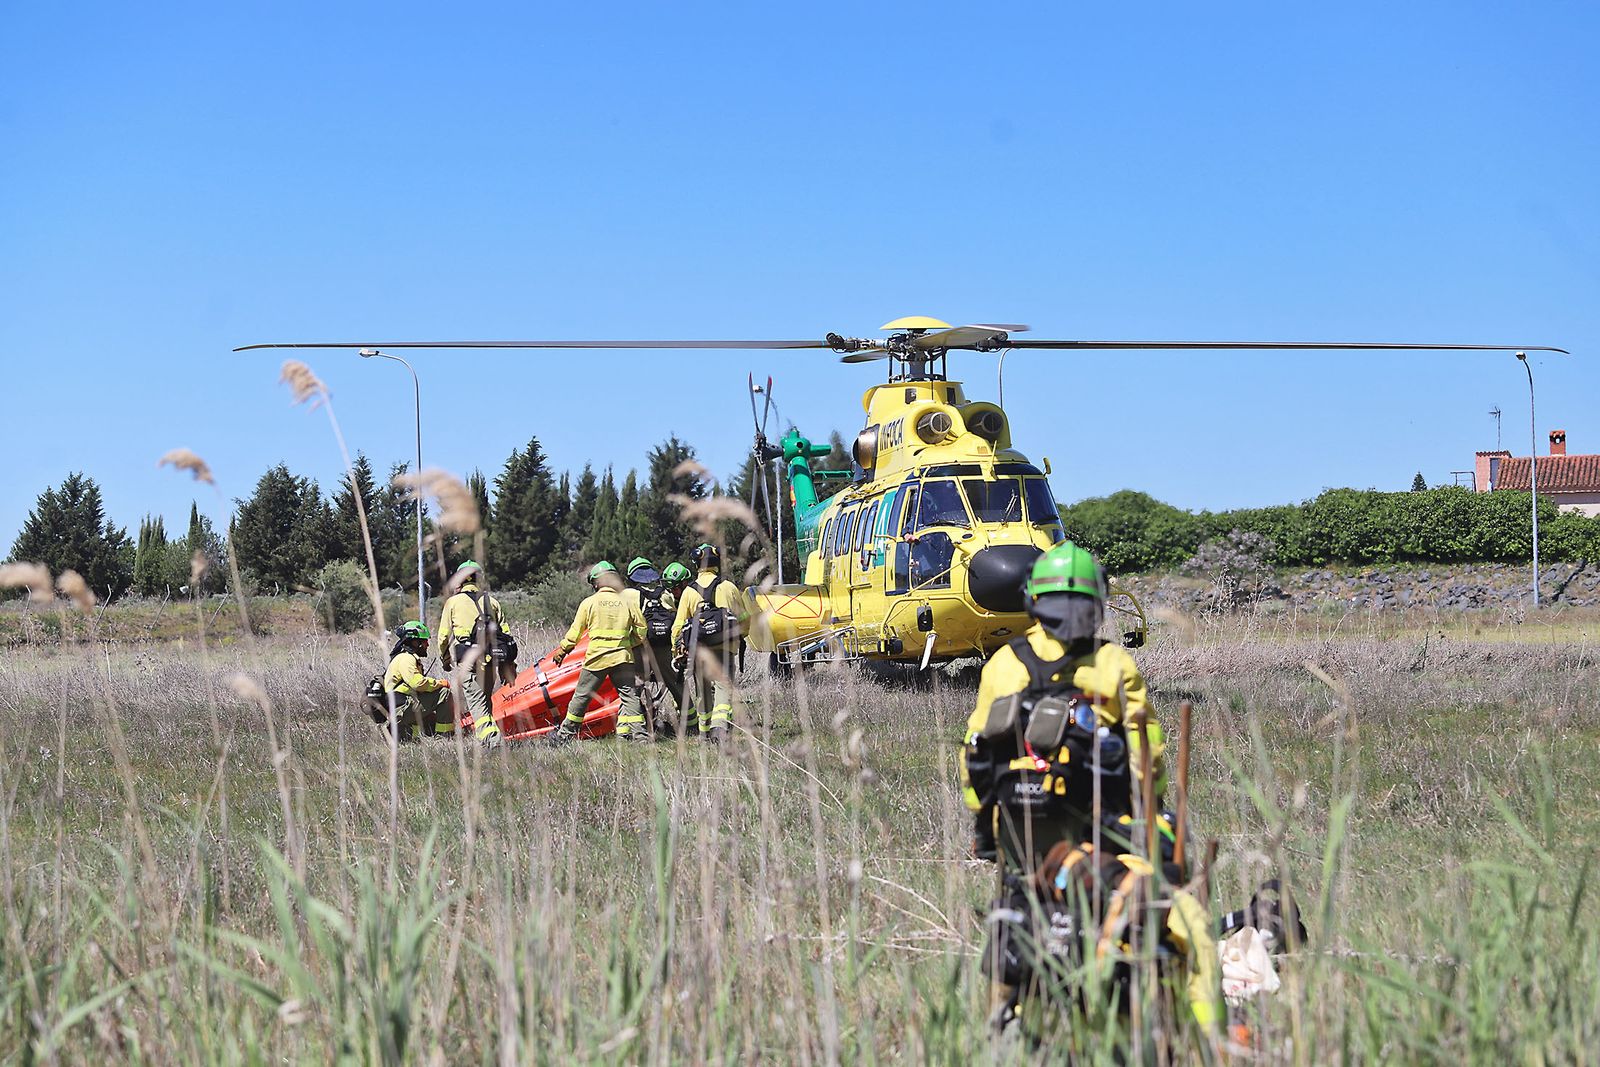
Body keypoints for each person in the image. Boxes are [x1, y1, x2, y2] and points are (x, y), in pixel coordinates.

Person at [960, 541, 1168, 1023]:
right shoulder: (1114, 663)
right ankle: (1112, 1015)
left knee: (1018, 916)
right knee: (1111, 909)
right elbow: (1146, 749)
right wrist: (1143, 809)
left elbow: (974, 754)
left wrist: (986, 827)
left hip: (1022, 829)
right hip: (1103, 823)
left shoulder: (1005, 664)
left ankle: (1007, 1019)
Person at [549, 561, 647, 745]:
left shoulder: (589, 603)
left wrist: (563, 650)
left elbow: (575, 632)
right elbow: (641, 630)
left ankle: (564, 736)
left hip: (596, 659)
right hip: (622, 657)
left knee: (582, 696)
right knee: (629, 696)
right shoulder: (627, 601)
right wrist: (627, 643)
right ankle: (640, 737)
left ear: (595, 583)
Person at [669, 543, 754, 744]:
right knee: (724, 686)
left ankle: (704, 733)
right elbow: (744, 619)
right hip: (726, 648)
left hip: (698, 651)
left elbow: (678, 626)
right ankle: (721, 728)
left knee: (702, 691)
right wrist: (742, 635)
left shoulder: (689, 592)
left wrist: (676, 650)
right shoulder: (729, 587)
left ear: (697, 564)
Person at [435, 559, 515, 744]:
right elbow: (506, 635)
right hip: (491, 659)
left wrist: (446, 659)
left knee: (477, 703)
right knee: (484, 701)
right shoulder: (492, 602)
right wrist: (508, 666)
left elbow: (443, 637)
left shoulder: (453, 602)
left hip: (469, 660)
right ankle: (487, 740)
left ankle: (493, 742)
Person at [623, 556, 683, 736]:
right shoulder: (665, 593)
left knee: (633, 689)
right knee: (677, 685)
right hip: (664, 648)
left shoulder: (628, 595)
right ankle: (692, 724)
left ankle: (628, 729)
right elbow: (675, 620)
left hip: (640, 648)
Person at [382, 621, 451, 741]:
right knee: (444, 693)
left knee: (428, 705)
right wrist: (440, 683)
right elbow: (418, 683)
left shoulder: (404, 657)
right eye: (424, 641)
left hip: (402, 706)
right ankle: (443, 737)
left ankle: (411, 736)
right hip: (402, 708)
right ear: (415, 642)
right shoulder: (406, 659)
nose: (427, 645)